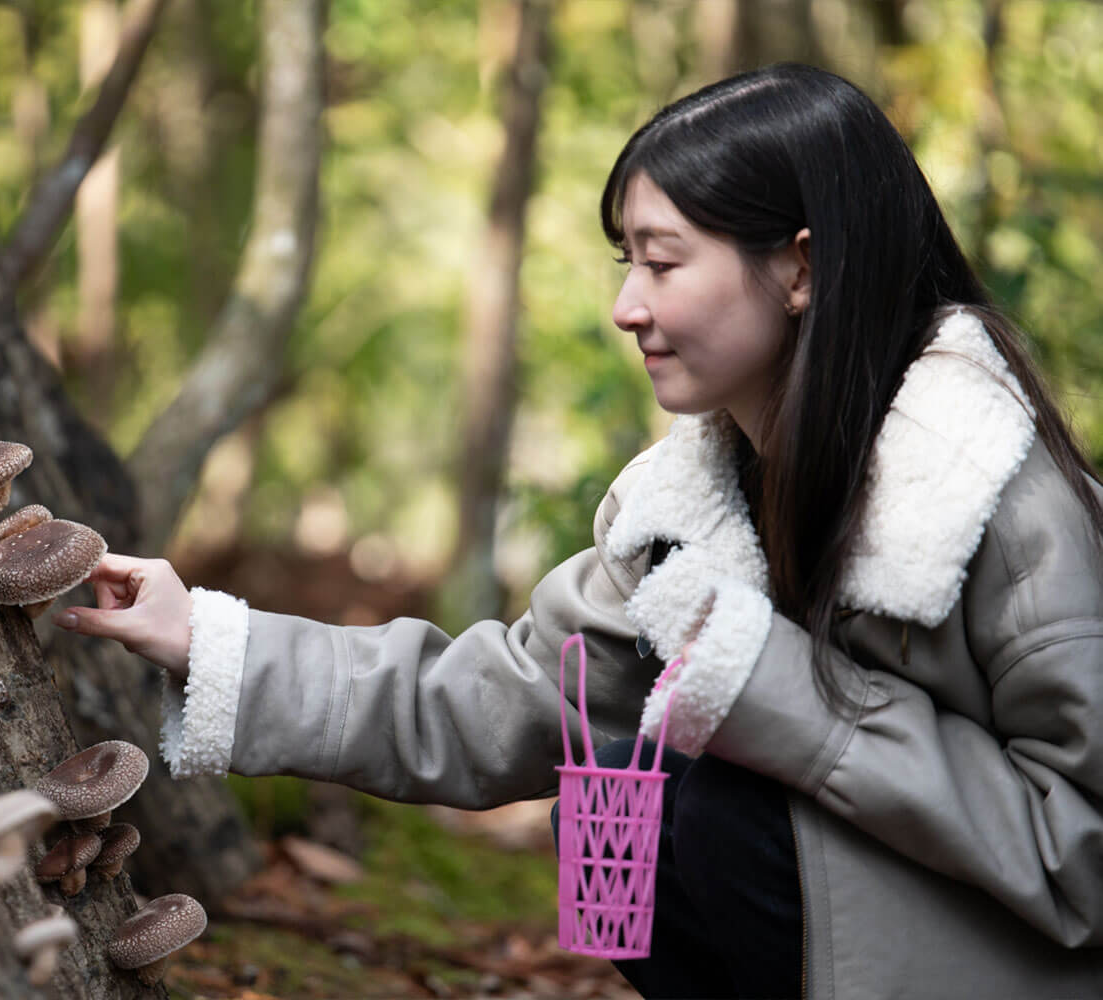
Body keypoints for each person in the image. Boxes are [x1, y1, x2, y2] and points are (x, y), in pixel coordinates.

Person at [54, 64, 1103, 999]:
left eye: (663, 262)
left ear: (800, 269)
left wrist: (802, 713)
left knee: (717, 801)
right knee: (619, 790)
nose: (624, 307)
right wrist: (211, 639)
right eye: (624, 261)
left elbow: (1084, 854)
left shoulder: (1003, 505)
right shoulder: (684, 512)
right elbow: (494, 700)